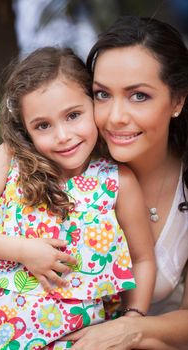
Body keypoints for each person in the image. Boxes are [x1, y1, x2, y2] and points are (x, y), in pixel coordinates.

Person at [0, 47, 155, 349]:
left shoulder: (118, 181)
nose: (62, 135)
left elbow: (142, 258)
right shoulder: (12, 161)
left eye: (73, 115)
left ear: (93, 106)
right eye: (43, 125)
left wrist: (134, 317)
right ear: (25, 129)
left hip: (73, 337)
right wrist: (23, 250)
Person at [62, 16, 188, 349]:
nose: (115, 116)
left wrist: (132, 330)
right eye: (102, 94)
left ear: (178, 101)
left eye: (139, 97)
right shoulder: (61, 156)